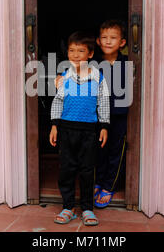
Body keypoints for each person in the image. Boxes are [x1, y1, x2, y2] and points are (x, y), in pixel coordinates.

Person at [49, 31, 110, 226]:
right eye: (71, 50)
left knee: (86, 170)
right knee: (67, 169)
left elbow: (104, 102)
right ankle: (68, 207)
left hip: (89, 131)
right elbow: (58, 102)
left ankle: (87, 209)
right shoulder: (63, 78)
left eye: (81, 51)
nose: (75, 55)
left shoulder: (98, 78)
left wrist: (104, 126)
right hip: (67, 130)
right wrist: (54, 125)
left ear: (90, 54)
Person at [93, 20, 129, 208]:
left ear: (121, 43)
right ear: (98, 41)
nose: (108, 41)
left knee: (116, 150)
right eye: (104, 38)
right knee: (99, 150)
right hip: (98, 116)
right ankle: (98, 181)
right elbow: (76, 72)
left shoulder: (128, 62)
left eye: (113, 38)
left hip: (119, 116)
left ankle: (108, 186)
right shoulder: (94, 63)